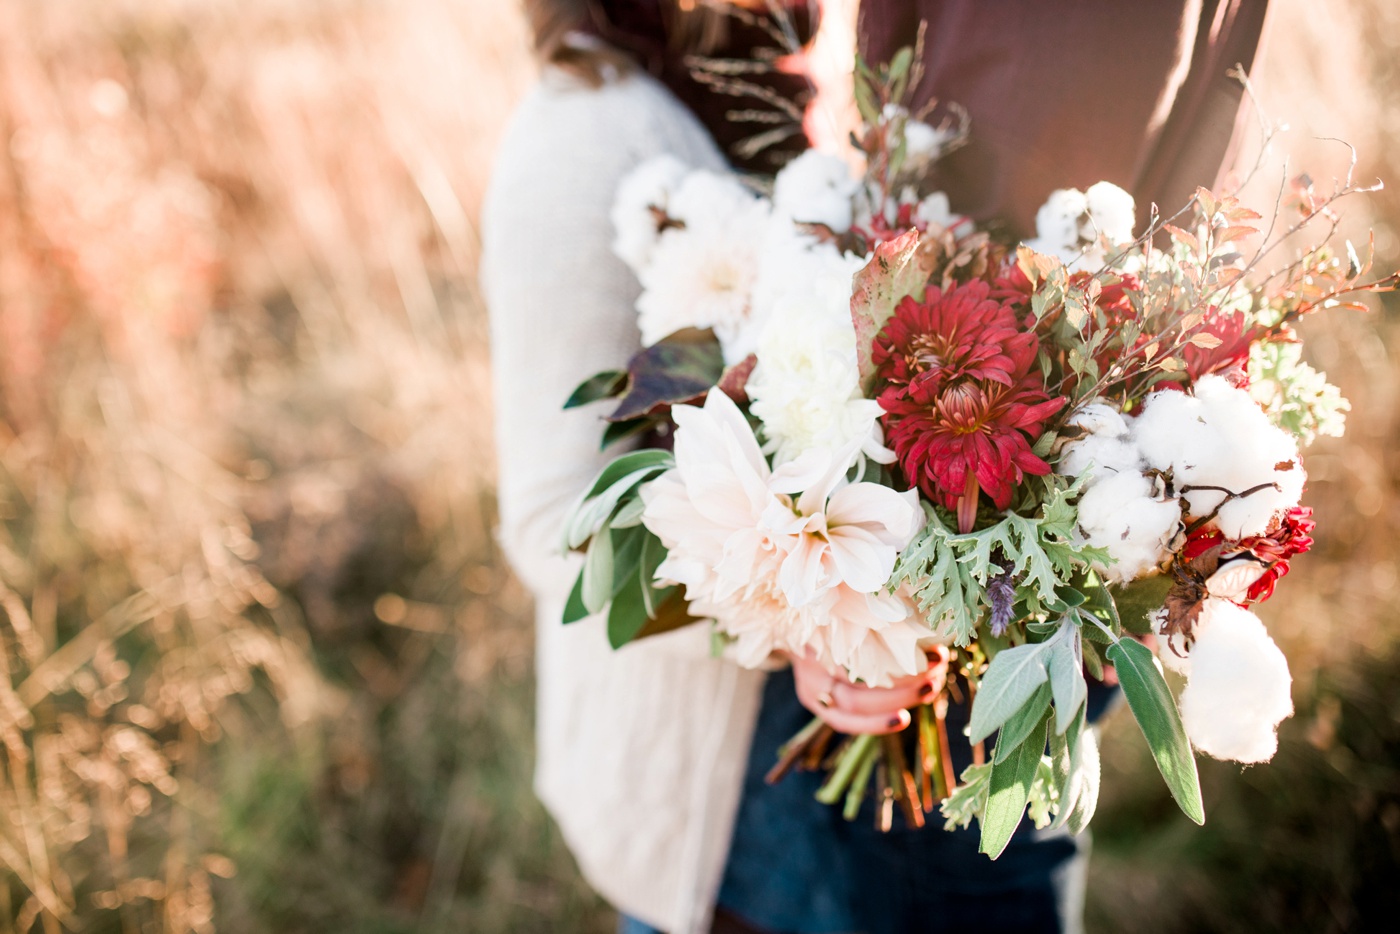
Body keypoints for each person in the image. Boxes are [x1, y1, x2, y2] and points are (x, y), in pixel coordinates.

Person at [481, 2, 1269, 932]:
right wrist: (815, 609)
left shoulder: (762, 90)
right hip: (722, 799)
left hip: (837, 741)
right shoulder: (583, 135)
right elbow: (550, 521)